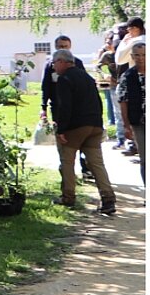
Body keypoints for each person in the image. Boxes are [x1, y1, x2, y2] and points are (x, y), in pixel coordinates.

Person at [50, 49, 117, 215]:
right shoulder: (87, 77)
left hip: (76, 126)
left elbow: (65, 106)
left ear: (62, 62)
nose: (54, 67)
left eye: (54, 63)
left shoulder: (64, 79)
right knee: (97, 163)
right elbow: (98, 102)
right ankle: (108, 198)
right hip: (94, 125)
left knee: (67, 161)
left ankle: (68, 196)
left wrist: (61, 129)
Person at [116, 41, 146, 182]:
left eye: (144, 55)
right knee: (145, 157)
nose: (141, 58)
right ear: (132, 57)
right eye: (137, 55)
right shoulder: (127, 76)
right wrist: (126, 125)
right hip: (138, 121)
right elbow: (123, 101)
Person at [40, 36, 82, 120]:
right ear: (56, 47)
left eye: (65, 46)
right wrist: (44, 107)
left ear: (70, 46)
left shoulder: (77, 63)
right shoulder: (50, 65)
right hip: (56, 104)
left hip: (75, 103)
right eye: (60, 46)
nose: (63, 49)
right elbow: (46, 86)